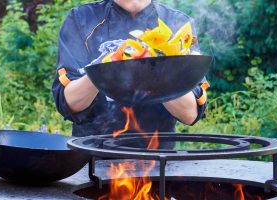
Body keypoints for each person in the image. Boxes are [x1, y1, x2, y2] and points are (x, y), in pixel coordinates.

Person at [52, 0, 209, 141]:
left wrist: (155, 69)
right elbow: (68, 103)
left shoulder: (176, 22)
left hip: (157, 160)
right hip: (91, 157)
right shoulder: (82, 19)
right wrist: (105, 67)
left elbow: (190, 114)